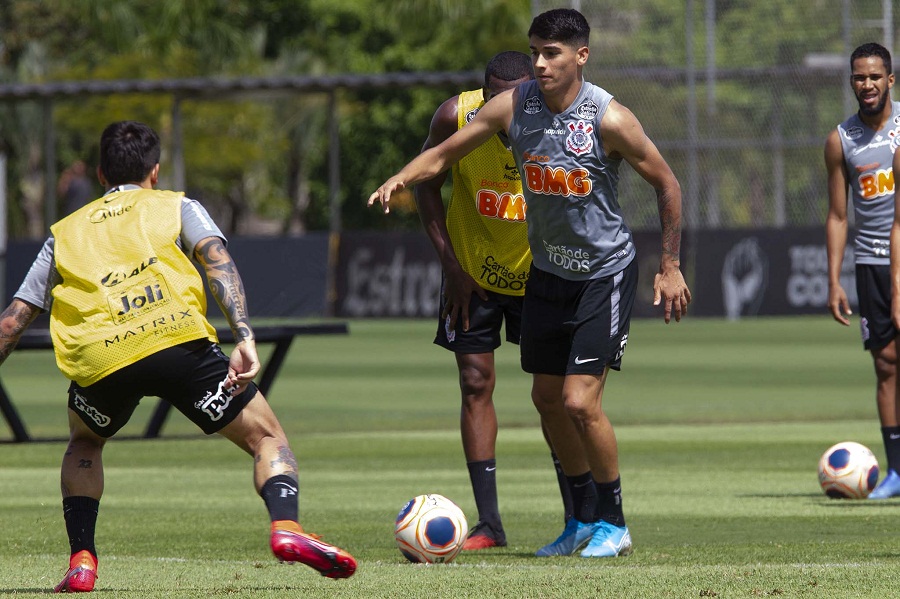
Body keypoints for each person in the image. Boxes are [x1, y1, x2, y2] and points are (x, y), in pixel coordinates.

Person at [369, 8, 690, 558]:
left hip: (603, 275)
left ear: (581, 56)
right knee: (546, 399)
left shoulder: (609, 118)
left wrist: (670, 264)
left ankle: (614, 522)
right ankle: (581, 522)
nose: (540, 64)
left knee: (578, 401)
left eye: (552, 54)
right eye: (535, 51)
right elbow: (445, 153)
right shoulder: (514, 106)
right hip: (547, 274)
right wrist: (404, 174)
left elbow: (667, 183)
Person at [0, 121, 356, 593]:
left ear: (103, 173)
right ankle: (286, 526)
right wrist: (244, 336)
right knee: (268, 438)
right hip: (178, 345)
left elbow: (12, 322)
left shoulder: (63, 234)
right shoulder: (176, 205)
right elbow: (216, 261)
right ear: (155, 170)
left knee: (84, 444)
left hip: (103, 359)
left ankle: (82, 560)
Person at [415, 50, 573, 550]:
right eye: (496, 103)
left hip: (541, 275)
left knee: (554, 399)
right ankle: (490, 524)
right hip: (472, 274)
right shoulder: (454, 117)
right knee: (475, 382)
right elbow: (426, 185)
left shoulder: (562, 121)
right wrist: (452, 268)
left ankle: (580, 518)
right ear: (483, 97)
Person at [826, 42, 900, 500]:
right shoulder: (841, 140)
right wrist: (834, 279)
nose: (867, 84)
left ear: (890, 80)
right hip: (871, 262)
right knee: (887, 364)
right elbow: (838, 215)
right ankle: (896, 472)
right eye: (859, 77)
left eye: (875, 76)